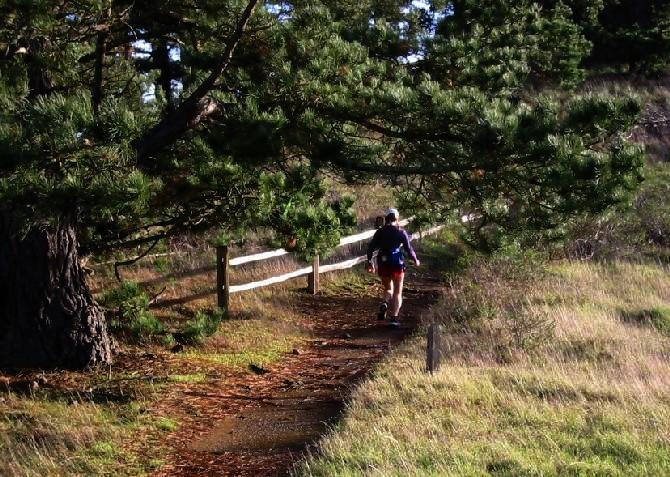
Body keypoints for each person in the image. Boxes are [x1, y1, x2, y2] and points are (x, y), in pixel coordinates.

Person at [366, 208, 420, 327]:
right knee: (397, 292)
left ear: (386, 218)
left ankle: (385, 302)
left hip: (383, 261)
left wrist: (370, 262)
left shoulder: (380, 232)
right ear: (397, 218)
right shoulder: (400, 232)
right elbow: (408, 248)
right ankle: (394, 318)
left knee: (388, 289)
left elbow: (370, 248)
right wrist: (415, 259)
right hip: (397, 262)